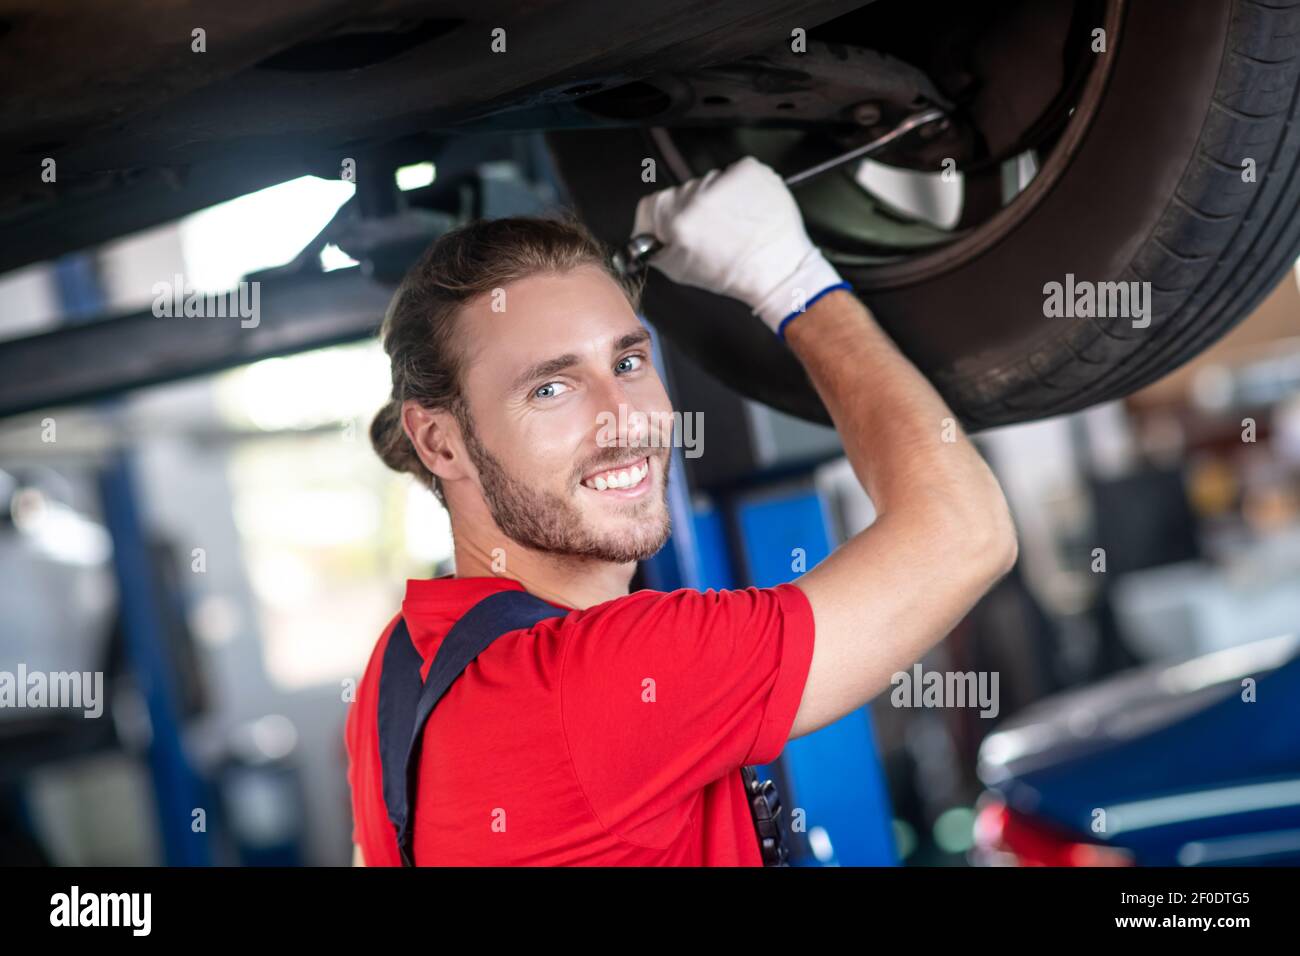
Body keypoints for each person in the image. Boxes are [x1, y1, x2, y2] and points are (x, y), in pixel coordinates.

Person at [345, 156, 1017, 866]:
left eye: (629, 363)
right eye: (551, 389)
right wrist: (788, 276)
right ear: (439, 442)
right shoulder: (601, 677)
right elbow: (968, 533)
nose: (624, 419)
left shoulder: (398, 672)